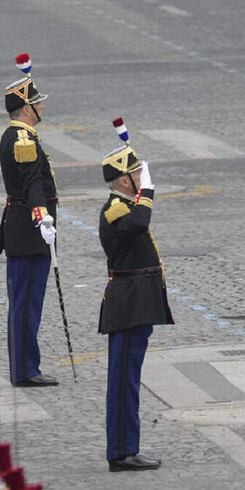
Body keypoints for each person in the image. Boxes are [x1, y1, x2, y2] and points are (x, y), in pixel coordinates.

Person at [97, 120, 174, 471]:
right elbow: (139, 223)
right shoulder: (117, 208)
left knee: (128, 380)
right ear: (125, 180)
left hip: (135, 303)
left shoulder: (127, 204)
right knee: (123, 382)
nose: (143, 178)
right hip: (127, 305)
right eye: (138, 174)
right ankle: (122, 452)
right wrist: (149, 193)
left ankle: (126, 447)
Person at [0, 53, 58, 387]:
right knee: (26, 303)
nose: (42, 108)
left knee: (26, 302)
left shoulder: (20, 137)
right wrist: (43, 218)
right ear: (26, 109)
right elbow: (33, 183)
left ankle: (25, 366)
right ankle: (25, 370)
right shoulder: (22, 140)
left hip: (24, 229)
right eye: (37, 103)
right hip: (29, 231)